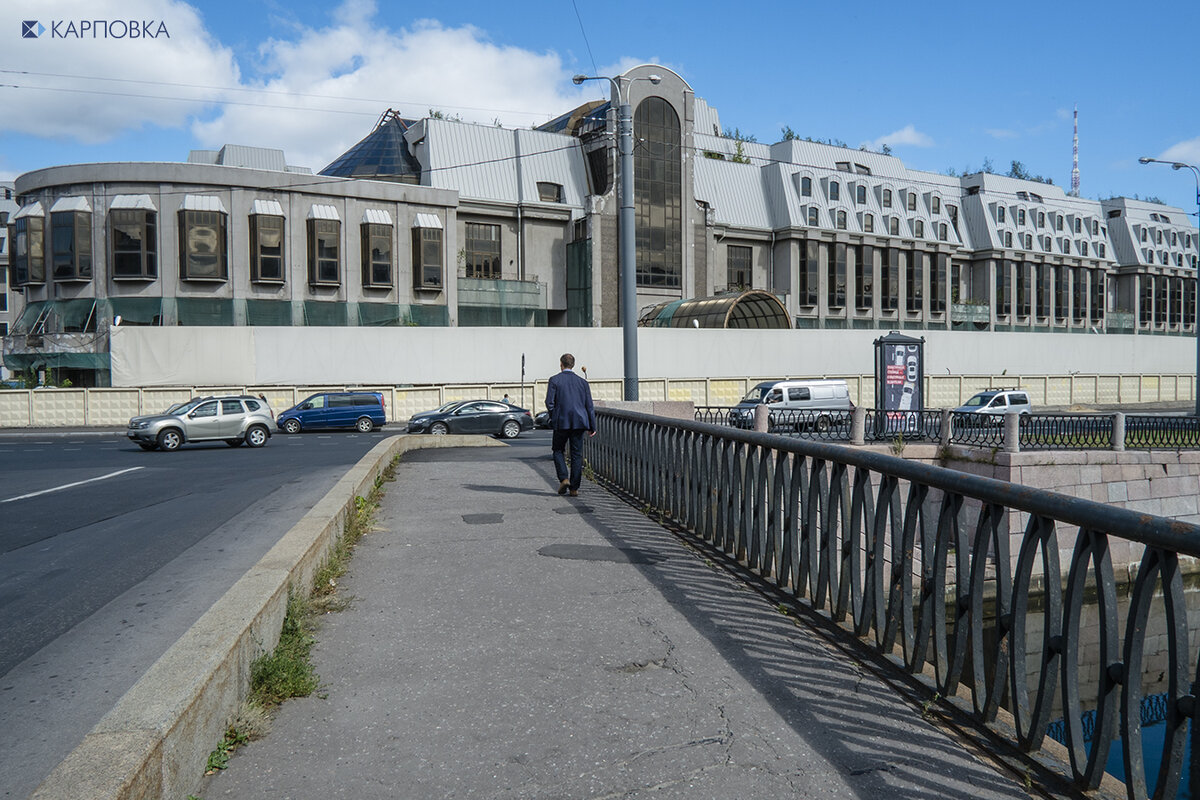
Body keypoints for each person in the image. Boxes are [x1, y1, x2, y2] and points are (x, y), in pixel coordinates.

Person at [545, 353, 596, 497]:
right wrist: (592, 426)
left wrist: (554, 418)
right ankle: (574, 488)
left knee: (558, 450)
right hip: (579, 422)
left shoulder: (554, 380)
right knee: (576, 455)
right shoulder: (582, 382)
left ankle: (564, 478)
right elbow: (589, 406)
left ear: (561, 364)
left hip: (561, 422)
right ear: (573, 365)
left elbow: (549, 402)